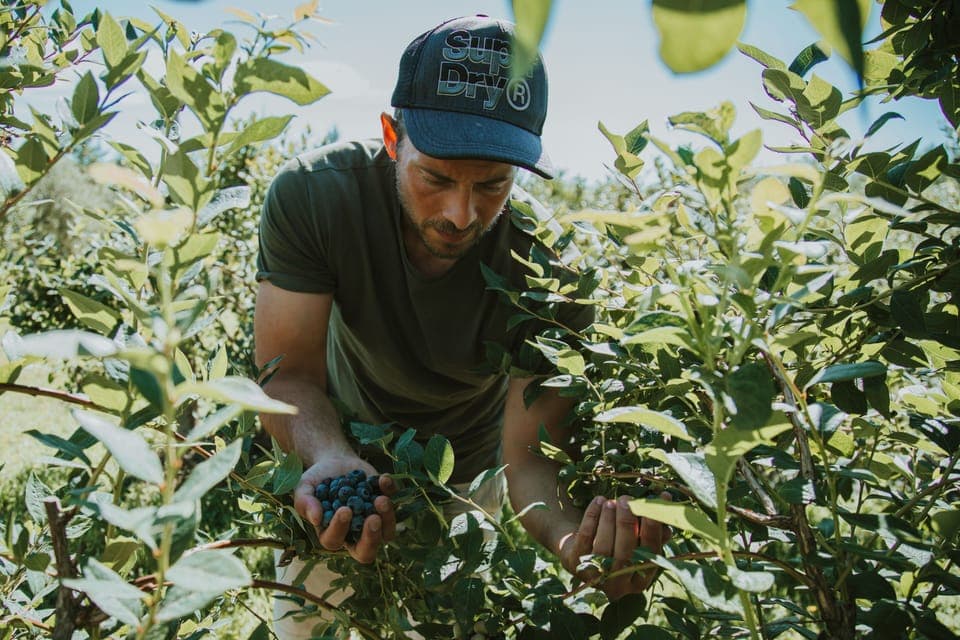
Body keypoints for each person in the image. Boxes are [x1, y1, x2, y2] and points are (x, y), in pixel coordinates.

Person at [254, 14, 669, 638]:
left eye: (493, 185)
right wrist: (329, 455)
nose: (460, 213)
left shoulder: (550, 272)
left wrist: (570, 543)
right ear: (393, 137)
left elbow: (528, 460)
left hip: (465, 477)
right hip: (331, 454)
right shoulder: (315, 198)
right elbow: (288, 376)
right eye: (436, 177)